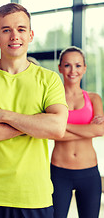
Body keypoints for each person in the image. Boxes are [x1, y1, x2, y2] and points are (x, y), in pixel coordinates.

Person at [0, 3, 68, 218]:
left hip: (35, 196)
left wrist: (2, 116)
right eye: (6, 30)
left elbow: (57, 128)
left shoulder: (49, 79)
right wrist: (35, 124)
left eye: (21, 29)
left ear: (31, 34)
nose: (14, 36)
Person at [51, 46, 104, 218]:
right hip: (59, 172)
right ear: (60, 68)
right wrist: (88, 129)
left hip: (89, 173)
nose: (73, 70)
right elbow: (51, 133)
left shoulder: (94, 98)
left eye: (78, 65)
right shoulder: (52, 100)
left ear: (85, 68)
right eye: (67, 65)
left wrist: (63, 125)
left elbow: (100, 130)